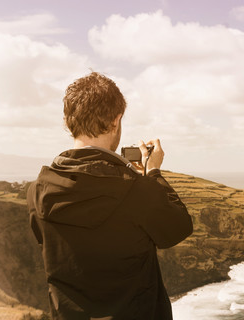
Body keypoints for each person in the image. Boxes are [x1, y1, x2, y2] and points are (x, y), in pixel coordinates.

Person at [27, 72, 193, 320]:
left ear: (68, 121)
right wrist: (154, 172)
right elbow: (179, 227)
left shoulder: (37, 190)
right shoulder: (137, 189)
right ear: (116, 121)